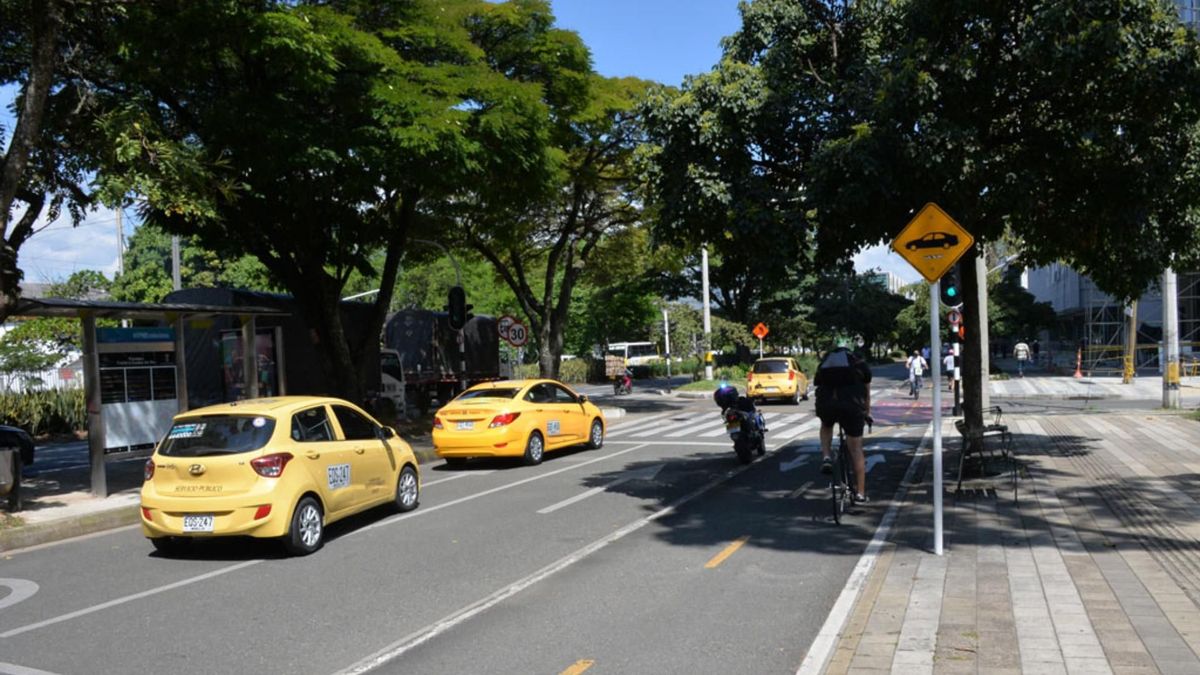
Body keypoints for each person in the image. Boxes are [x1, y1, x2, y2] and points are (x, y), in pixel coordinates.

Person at [816, 342, 873, 503]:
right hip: (852, 407)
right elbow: (867, 395)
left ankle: (826, 456)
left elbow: (817, 385)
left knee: (826, 425)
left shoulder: (826, 363)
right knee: (855, 449)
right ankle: (861, 493)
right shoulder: (860, 365)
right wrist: (867, 413)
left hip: (827, 404)